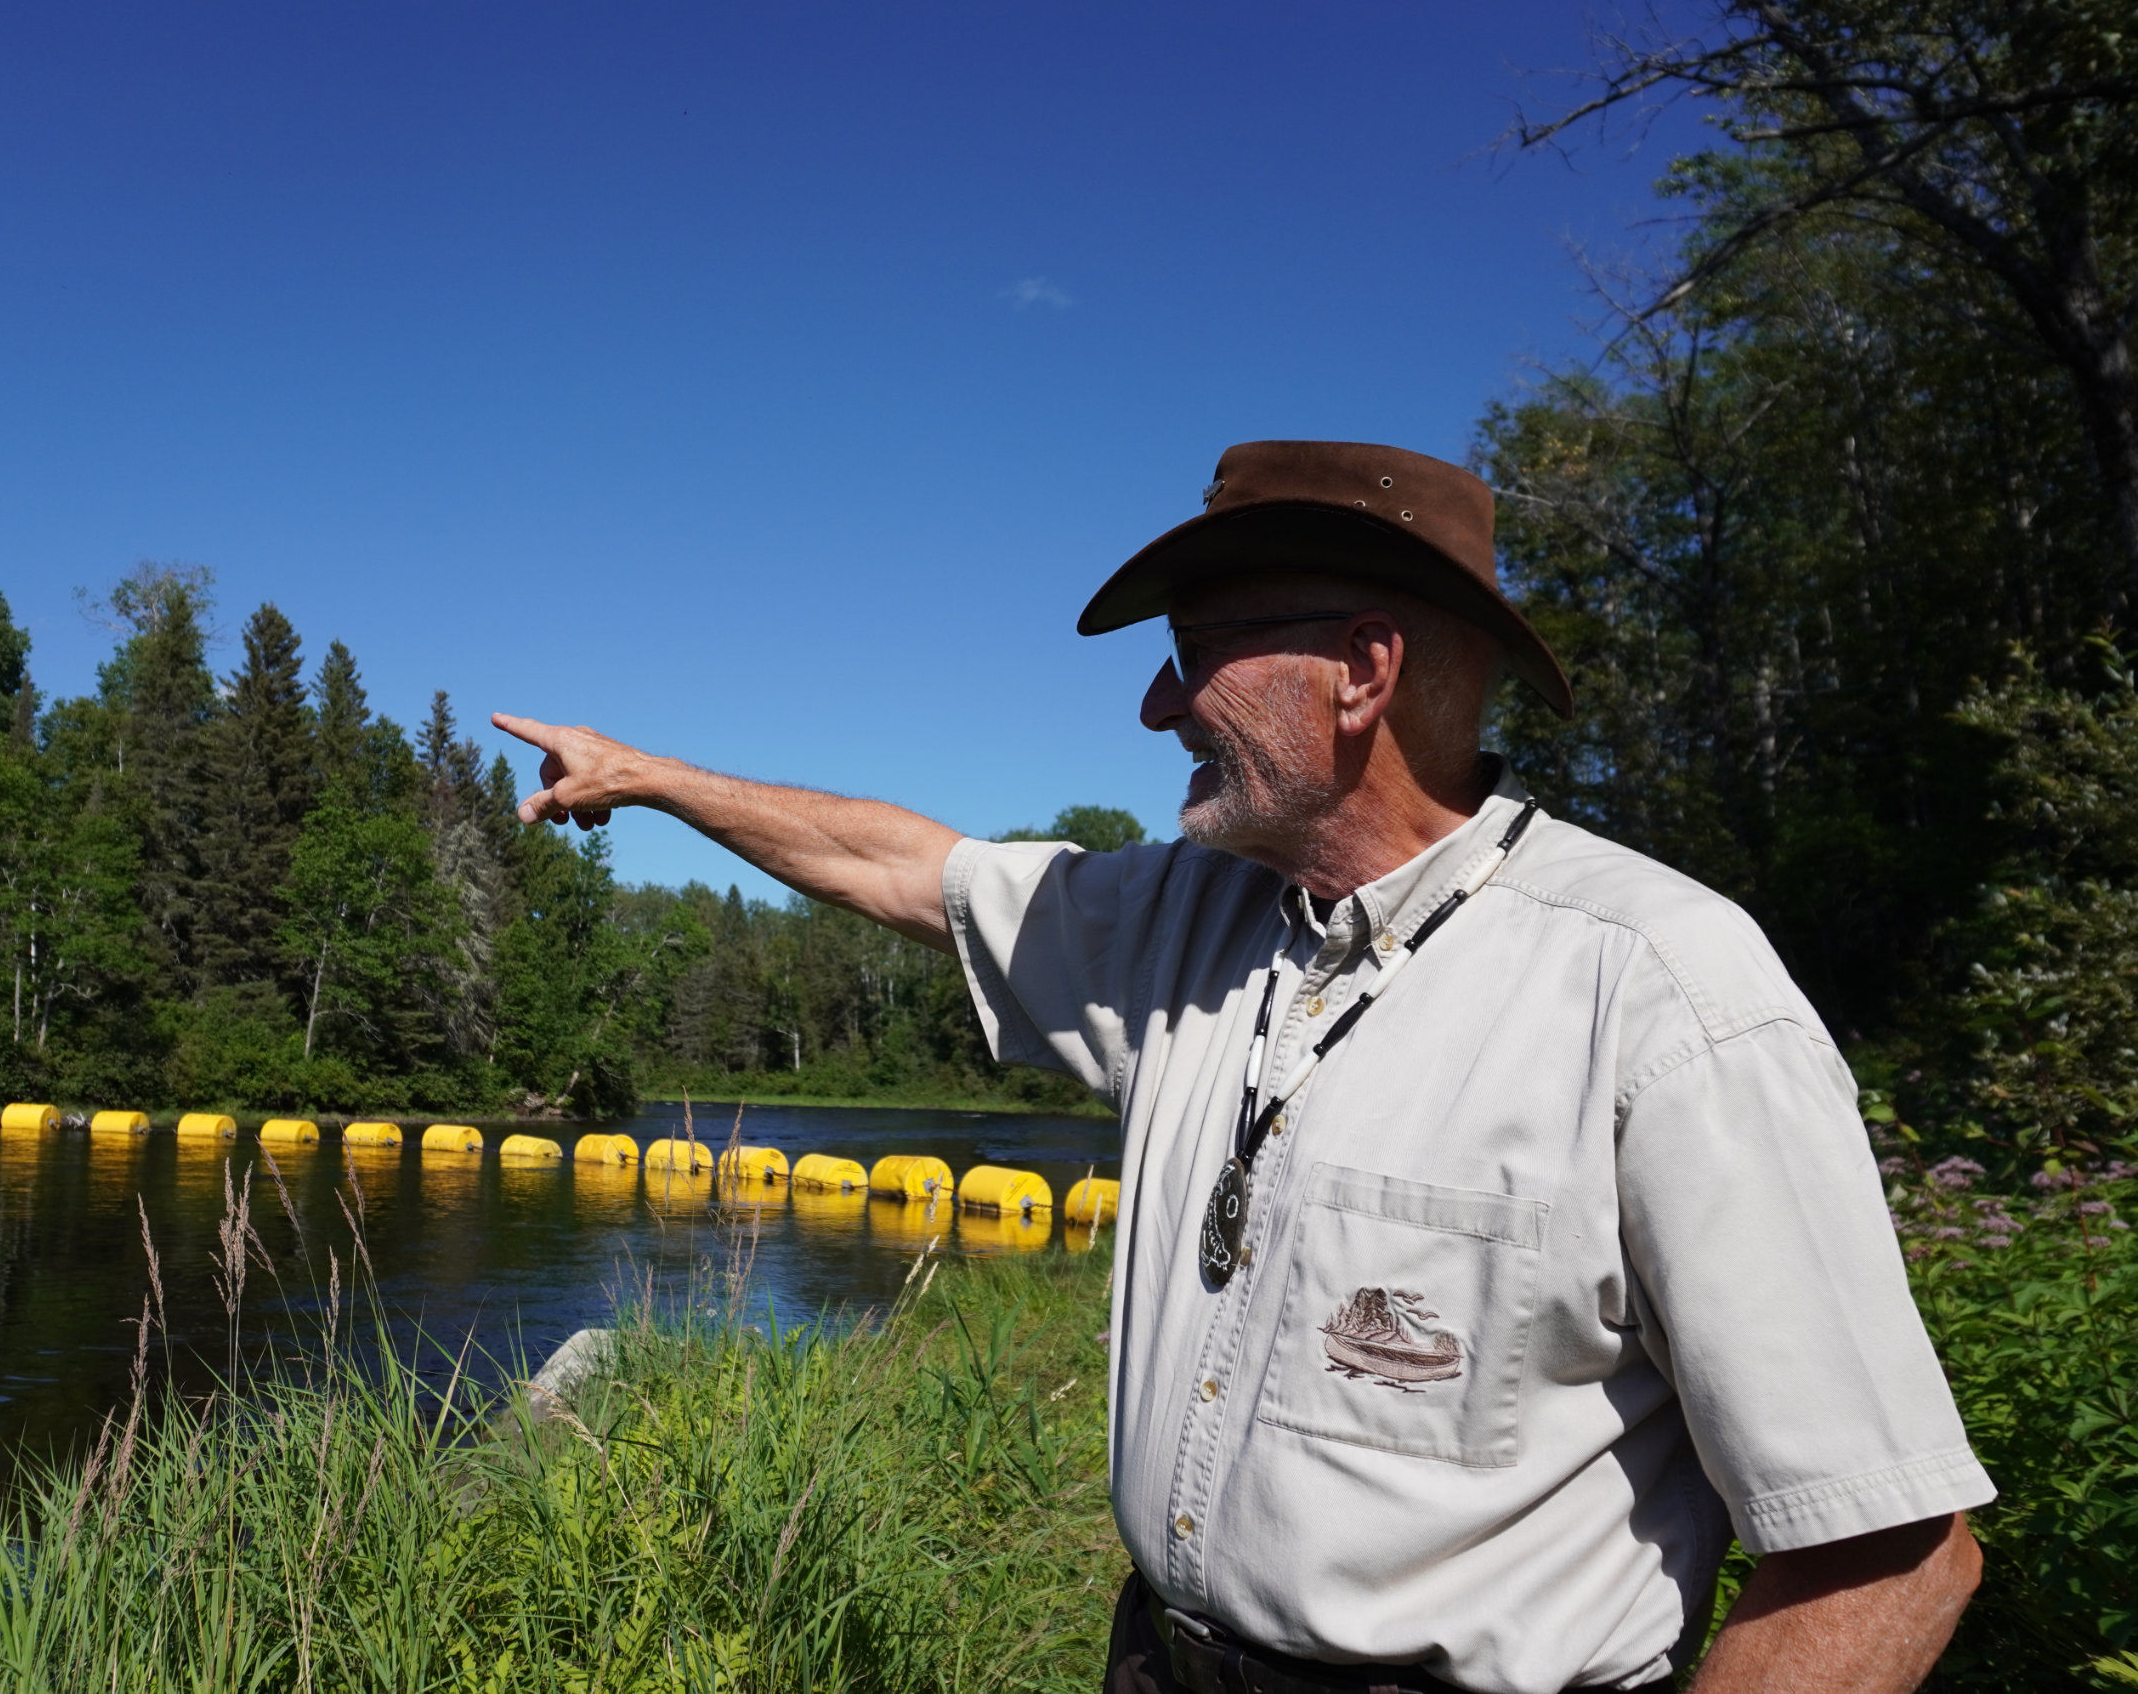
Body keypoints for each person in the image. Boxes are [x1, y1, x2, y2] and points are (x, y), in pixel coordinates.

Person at [495, 440, 1993, 1694]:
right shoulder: (1177, 919)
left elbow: (1885, 1553)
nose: (1156, 708)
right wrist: (656, 781)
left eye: (1195, 656)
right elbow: (906, 868)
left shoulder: (1654, 988)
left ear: (1360, 669)